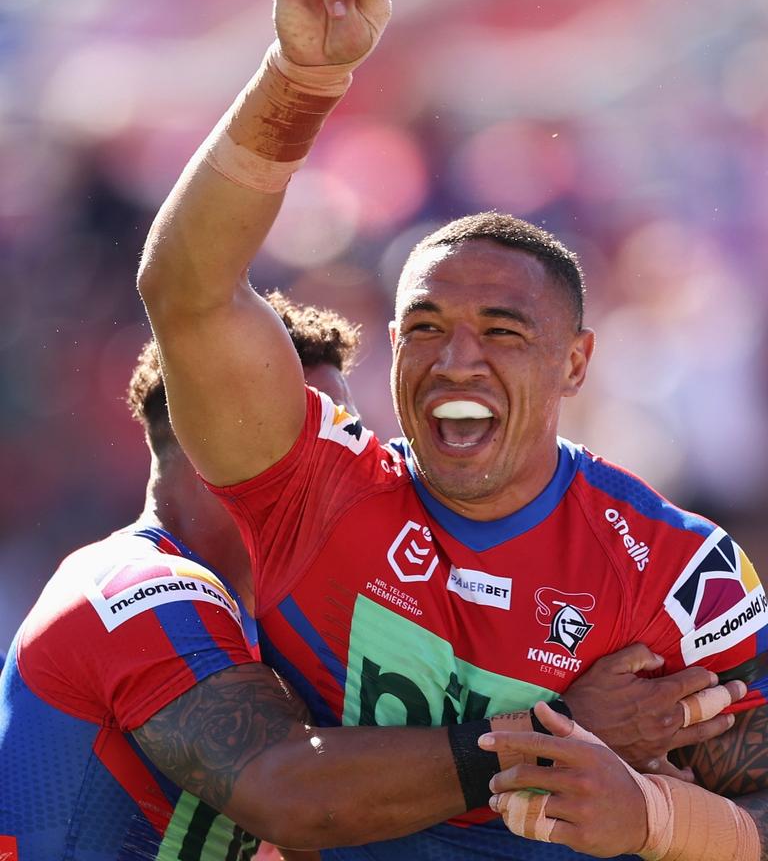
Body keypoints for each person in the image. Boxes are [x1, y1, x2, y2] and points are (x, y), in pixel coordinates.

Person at [137, 0, 768, 861]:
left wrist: (657, 819)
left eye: (504, 333)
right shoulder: (314, 490)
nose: (457, 360)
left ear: (576, 363)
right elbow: (188, 292)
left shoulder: (669, 573)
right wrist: (300, 80)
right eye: (425, 328)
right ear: (390, 350)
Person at [1, 297, 721, 861]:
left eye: (349, 433)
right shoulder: (132, 586)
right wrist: (560, 731)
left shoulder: (273, 627)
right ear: (214, 436)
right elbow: (287, 790)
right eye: (314, 437)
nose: (345, 465)